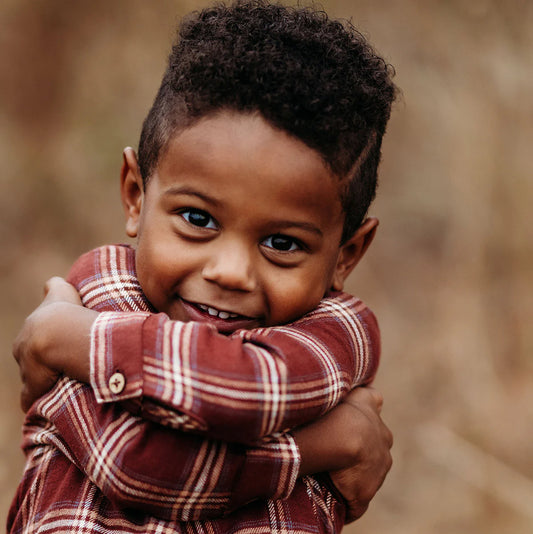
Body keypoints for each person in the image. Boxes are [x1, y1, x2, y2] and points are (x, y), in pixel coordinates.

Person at [9, 1, 396, 532]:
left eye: (282, 243)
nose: (231, 271)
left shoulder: (338, 333)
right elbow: (136, 453)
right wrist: (330, 442)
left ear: (346, 255)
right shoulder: (101, 289)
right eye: (198, 218)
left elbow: (226, 403)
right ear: (134, 195)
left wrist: (73, 343)